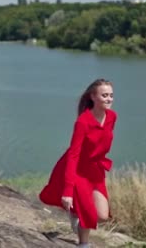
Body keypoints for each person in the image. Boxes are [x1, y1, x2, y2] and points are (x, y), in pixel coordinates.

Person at [39, 78, 117, 247]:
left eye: (111, 95)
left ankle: (77, 215)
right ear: (93, 97)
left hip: (96, 170)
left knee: (102, 215)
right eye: (104, 95)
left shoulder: (112, 117)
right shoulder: (83, 122)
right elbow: (73, 155)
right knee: (88, 213)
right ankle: (83, 243)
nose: (109, 99)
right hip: (78, 170)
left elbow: (103, 141)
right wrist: (68, 190)